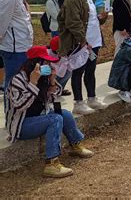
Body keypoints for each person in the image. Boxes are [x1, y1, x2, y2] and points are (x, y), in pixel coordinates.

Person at [5, 46, 93, 178]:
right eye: (45, 62)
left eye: (48, 62)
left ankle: (76, 144)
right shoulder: (18, 80)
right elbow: (20, 105)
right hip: (21, 124)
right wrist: (33, 83)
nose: (48, 65)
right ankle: (51, 163)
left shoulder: (43, 78)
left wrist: (52, 82)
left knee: (65, 114)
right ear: (34, 63)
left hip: (40, 117)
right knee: (55, 119)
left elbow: (53, 97)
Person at [57, 0, 108, 115]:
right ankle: (78, 103)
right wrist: (83, 41)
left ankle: (92, 98)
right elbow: (73, 22)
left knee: (91, 71)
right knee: (78, 72)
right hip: (81, 43)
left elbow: (89, 19)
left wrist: (101, 19)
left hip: (93, 41)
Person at [0, 0, 42, 95]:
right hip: (14, 49)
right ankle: (11, 113)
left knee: (18, 82)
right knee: (13, 83)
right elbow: (1, 24)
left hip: (20, 46)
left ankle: (15, 112)